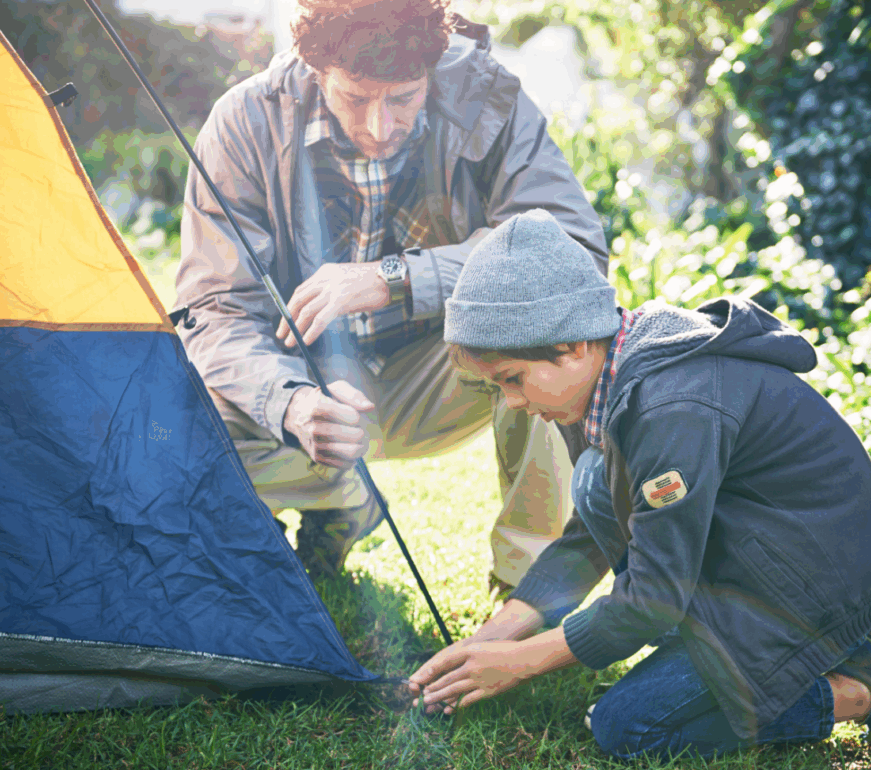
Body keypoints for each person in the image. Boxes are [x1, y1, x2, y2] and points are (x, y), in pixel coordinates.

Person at [407, 210, 871, 759]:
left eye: (513, 379)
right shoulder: (605, 384)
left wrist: (522, 663)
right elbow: (587, 541)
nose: (514, 403)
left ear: (573, 345)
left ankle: (868, 691)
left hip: (818, 581)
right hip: (761, 558)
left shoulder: (671, 407)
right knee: (595, 484)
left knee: (626, 727)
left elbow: (651, 602)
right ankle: (754, 645)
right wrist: (494, 639)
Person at [174, 0, 606, 592]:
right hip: (311, 388)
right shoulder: (244, 123)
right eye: (355, 98)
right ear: (314, 66)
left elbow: (573, 253)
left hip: (445, 373)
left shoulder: (487, 97)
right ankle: (338, 503)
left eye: (403, 98)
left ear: (431, 67)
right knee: (171, 425)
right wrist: (292, 403)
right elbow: (215, 311)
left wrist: (393, 278)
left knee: (542, 330)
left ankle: (527, 593)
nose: (379, 126)